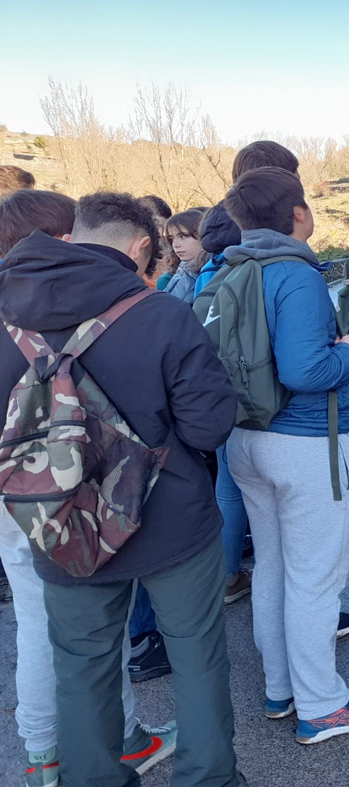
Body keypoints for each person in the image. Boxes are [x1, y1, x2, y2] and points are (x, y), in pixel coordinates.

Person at [0, 192, 244, 786]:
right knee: (196, 654)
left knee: (82, 666)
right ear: (139, 246)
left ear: (75, 233)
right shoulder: (160, 313)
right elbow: (209, 427)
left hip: (61, 521)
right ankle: (208, 778)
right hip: (171, 518)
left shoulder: (7, 317)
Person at [221, 165, 349, 745]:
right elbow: (306, 370)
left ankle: (281, 689)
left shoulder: (233, 270)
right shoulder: (295, 274)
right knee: (316, 578)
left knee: (272, 566)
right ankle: (323, 706)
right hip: (305, 446)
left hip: (246, 439)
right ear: (299, 213)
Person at [193, 201, 253, 603]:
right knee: (251, 494)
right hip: (248, 397)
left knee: (227, 491)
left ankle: (227, 575)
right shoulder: (245, 273)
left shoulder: (204, 275)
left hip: (215, 396)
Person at [162, 209, 210, 301]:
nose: (175, 245)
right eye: (171, 239)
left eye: (182, 236)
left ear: (202, 235)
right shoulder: (183, 271)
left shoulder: (216, 271)